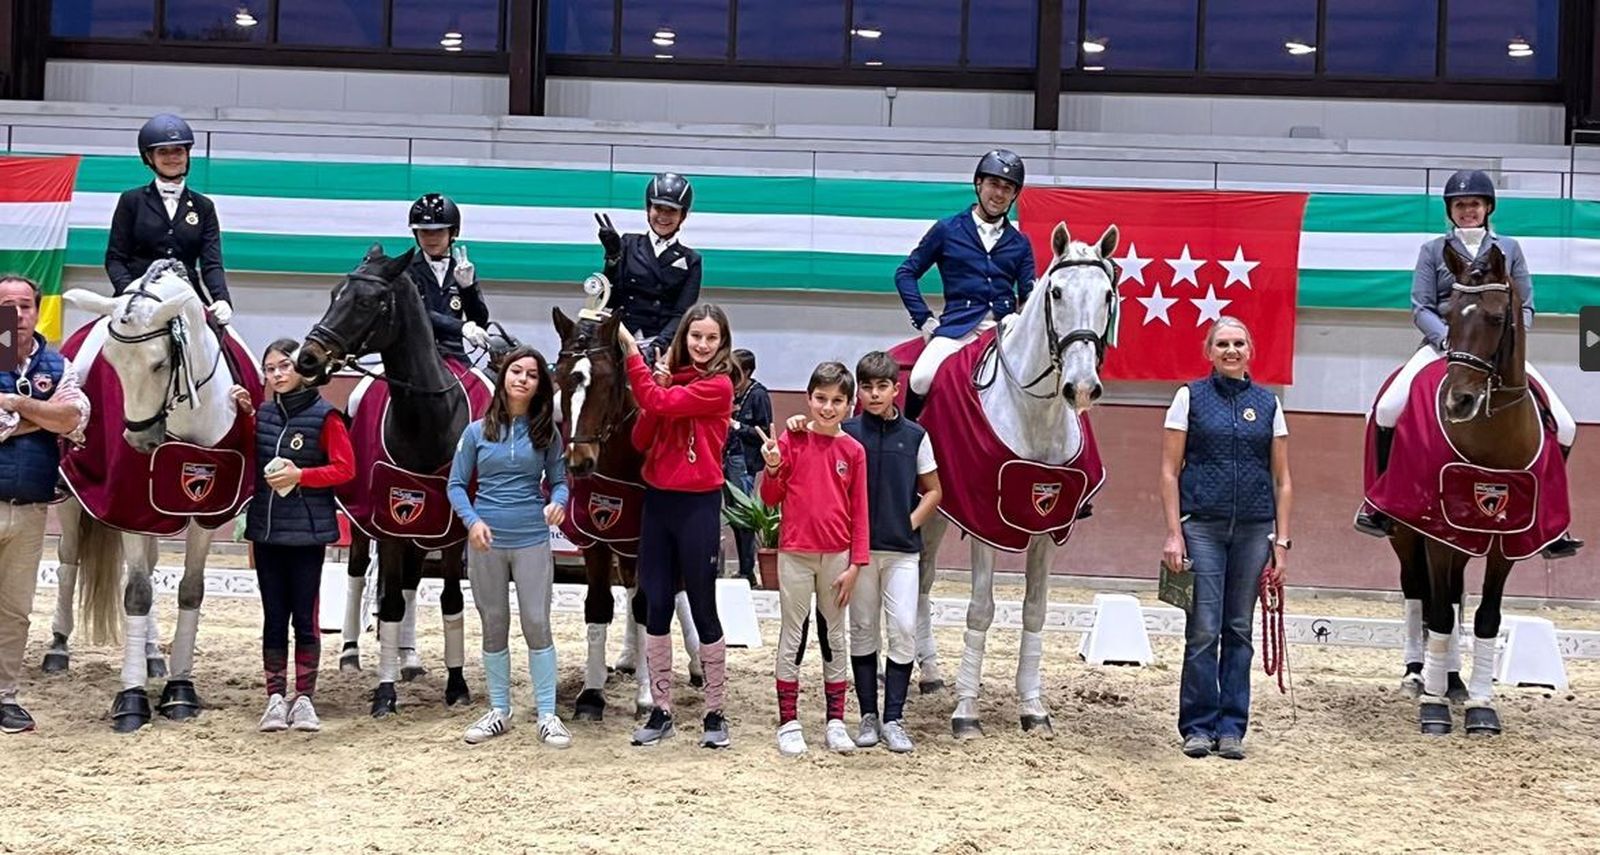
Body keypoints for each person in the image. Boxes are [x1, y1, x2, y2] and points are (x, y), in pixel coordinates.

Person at [1356, 169, 1581, 558]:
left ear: (1487, 207)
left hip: (1497, 350)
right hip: (1444, 344)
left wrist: (1507, 343)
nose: (1467, 211)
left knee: (1564, 425)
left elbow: (1524, 304)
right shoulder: (1432, 251)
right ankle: (1380, 503)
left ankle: (1549, 521)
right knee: (1388, 408)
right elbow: (1421, 306)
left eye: (1474, 204)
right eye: (1460, 205)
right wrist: (1447, 339)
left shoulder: (1509, 249)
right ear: (1451, 211)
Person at [1160, 317, 1292, 761]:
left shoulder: (1268, 404)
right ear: (1209, 351)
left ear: (1250, 349)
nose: (1231, 350)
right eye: (1222, 344)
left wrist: (1283, 541)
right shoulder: (1189, 398)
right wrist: (1174, 534)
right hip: (1203, 527)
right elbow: (1167, 471)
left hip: (1255, 529)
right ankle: (1197, 726)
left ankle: (1232, 728)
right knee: (1203, 630)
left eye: (1238, 342)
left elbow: (1283, 479)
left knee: (1239, 629)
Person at [616, 303, 736, 748]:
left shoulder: (719, 386)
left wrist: (632, 351)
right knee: (657, 605)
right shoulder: (672, 383)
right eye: (696, 337)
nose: (702, 345)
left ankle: (714, 712)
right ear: (684, 338)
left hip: (699, 507)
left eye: (711, 338)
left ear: (722, 343)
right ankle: (662, 709)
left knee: (704, 606)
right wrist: (659, 391)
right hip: (659, 504)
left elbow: (654, 400)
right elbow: (640, 438)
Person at [446, 345, 572, 747]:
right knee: (493, 623)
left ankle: (548, 713)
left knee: (537, 622)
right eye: (516, 371)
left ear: (539, 386)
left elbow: (560, 480)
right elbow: (455, 485)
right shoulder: (475, 432)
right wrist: (473, 521)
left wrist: (559, 502)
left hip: (532, 539)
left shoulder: (546, 433)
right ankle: (499, 709)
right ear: (503, 377)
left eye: (531, 375)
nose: (522, 378)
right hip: (487, 543)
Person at [231, 339, 356, 733]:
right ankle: (273, 697)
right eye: (270, 369)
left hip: (307, 533)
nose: (277, 374)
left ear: (302, 368)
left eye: (284, 366)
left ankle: (303, 698)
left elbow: (345, 469)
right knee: (273, 617)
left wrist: (303, 476)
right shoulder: (264, 414)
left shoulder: (326, 417)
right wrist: (241, 414)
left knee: (305, 617)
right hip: (266, 532)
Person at [759, 362, 870, 757]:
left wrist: (857, 564)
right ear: (809, 398)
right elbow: (770, 498)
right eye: (820, 399)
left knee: (834, 636)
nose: (827, 407)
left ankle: (836, 721)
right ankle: (788, 721)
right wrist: (772, 466)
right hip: (794, 555)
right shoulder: (791, 441)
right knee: (793, 635)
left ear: (849, 405)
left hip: (837, 557)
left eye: (836, 401)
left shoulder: (853, 451)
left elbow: (860, 511)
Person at [0, 273, 90, 734]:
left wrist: (15, 403)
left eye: (26, 306)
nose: (17, 315)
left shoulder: (57, 365)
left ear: (38, 311)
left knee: (15, 609)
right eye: (7, 305)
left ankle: (4, 696)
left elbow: (75, 417)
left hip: (32, 507)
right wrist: (44, 415)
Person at [895, 149, 1036, 407]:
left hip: (1003, 331)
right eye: (994, 184)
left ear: (1014, 195)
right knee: (920, 379)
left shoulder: (1020, 243)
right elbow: (905, 273)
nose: (999, 194)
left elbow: (1028, 296)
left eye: (1008, 188)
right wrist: (924, 319)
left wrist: (1020, 320)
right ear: (979, 183)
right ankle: (912, 439)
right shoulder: (947, 230)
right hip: (957, 327)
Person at [105, 113, 232, 323]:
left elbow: (212, 264)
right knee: (89, 346)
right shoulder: (131, 201)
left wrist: (222, 299)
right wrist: (130, 292)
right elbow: (115, 259)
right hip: (137, 297)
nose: (172, 157)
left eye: (178, 151)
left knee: (232, 348)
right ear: (149, 158)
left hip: (186, 297)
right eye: (163, 152)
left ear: (187, 155)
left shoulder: (204, 207)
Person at [595, 173, 702, 363]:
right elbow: (608, 298)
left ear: (682, 216)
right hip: (619, 337)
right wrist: (612, 258)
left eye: (672, 210)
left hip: (660, 346)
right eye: (658, 208)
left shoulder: (691, 260)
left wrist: (658, 347)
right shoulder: (628, 243)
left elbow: (682, 314)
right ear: (648, 209)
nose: (663, 216)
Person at [407, 193, 491, 363]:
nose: (431, 238)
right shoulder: (406, 270)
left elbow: (479, 320)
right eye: (425, 232)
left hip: (454, 356)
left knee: (483, 387)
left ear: (453, 232)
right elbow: (418, 313)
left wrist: (468, 289)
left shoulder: (462, 270)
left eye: (438, 231)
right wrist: (462, 327)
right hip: (414, 357)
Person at [723, 348, 771, 586]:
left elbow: (764, 433)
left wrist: (736, 425)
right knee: (732, 515)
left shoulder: (758, 395)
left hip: (744, 460)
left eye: (736, 373)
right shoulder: (732, 391)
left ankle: (747, 570)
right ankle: (744, 570)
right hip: (727, 456)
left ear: (749, 372)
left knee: (744, 515)